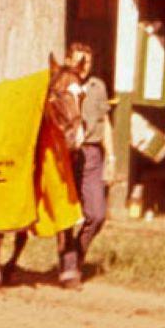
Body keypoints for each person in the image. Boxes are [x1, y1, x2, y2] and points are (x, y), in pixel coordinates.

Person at [66, 40, 111, 268]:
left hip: (92, 153)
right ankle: (68, 262)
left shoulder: (97, 86)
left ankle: (76, 253)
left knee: (98, 214)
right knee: (67, 213)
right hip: (67, 155)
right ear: (69, 61)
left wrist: (111, 156)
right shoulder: (64, 86)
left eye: (89, 61)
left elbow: (105, 122)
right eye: (79, 61)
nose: (84, 65)